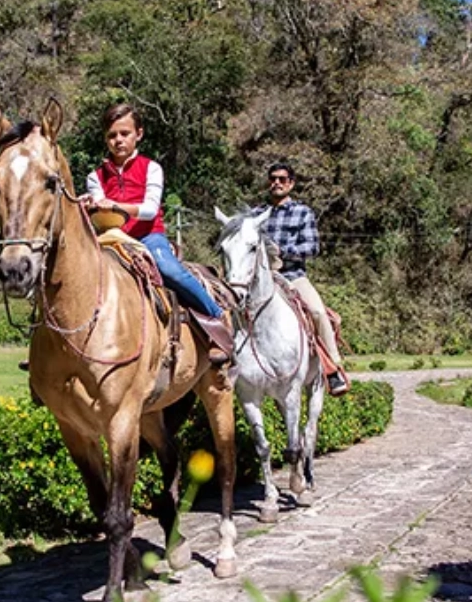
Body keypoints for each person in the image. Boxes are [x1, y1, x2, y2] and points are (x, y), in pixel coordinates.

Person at [84, 102, 234, 366]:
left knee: (169, 269)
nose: (118, 140)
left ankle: (217, 316)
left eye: (124, 133)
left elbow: (150, 209)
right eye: (112, 135)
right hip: (109, 238)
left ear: (138, 134)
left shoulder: (151, 168)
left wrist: (115, 206)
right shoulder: (95, 177)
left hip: (147, 237)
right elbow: (100, 209)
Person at [260, 161, 350, 397]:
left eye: (281, 179)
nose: (276, 183)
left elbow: (312, 247)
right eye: (272, 178)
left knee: (318, 312)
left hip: (292, 275)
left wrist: (282, 251)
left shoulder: (302, 212)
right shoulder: (257, 214)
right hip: (263, 278)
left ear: (291, 183)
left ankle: (333, 369)